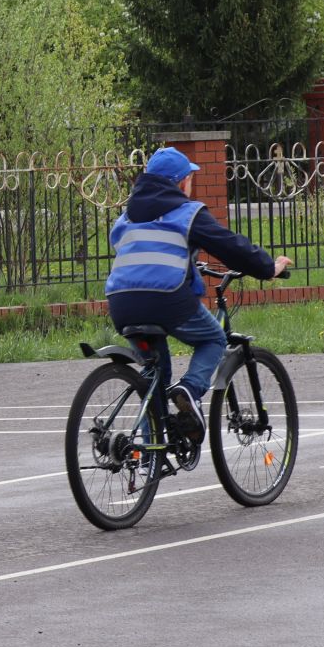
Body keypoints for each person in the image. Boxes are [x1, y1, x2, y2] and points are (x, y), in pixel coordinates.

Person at [103, 147, 292, 436]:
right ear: (180, 182)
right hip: (166, 299)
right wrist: (268, 267)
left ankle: (145, 461)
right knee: (214, 338)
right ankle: (189, 390)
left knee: (155, 375)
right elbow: (230, 246)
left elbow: (141, 252)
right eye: (190, 178)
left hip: (121, 302)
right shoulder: (186, 213)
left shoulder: (126, 217)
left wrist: (188, 263)